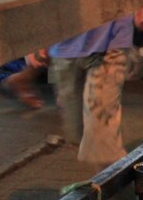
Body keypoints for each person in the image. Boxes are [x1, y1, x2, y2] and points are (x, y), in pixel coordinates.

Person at [48, 18, 134, 169]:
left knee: (100, 137)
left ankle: (112, 185)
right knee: (78, 131)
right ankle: (111, 172)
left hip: (110, 42)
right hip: (63, 46)